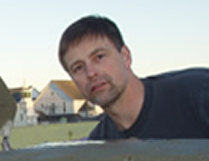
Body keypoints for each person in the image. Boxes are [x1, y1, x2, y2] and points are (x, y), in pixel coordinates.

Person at [58, 15, 209, 140]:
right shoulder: (100, 145)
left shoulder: (199, 94)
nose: (91, 73)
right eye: (78, 67)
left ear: (125, 56)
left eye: (99, 57)